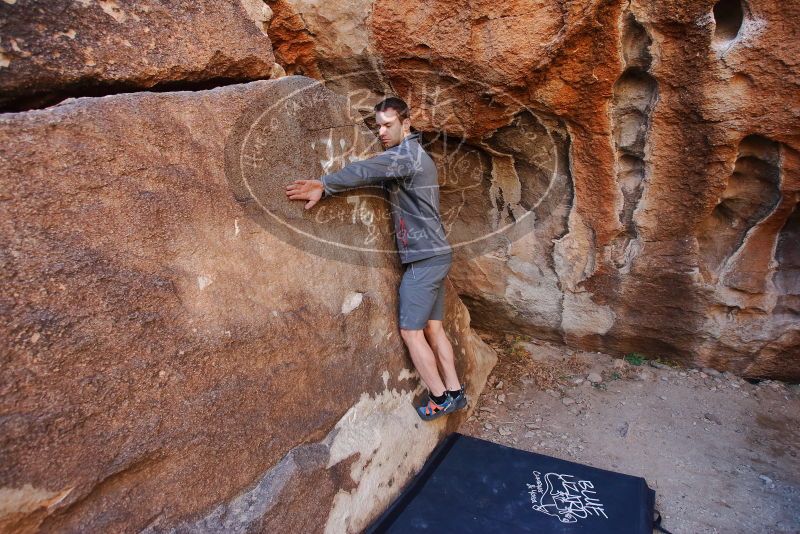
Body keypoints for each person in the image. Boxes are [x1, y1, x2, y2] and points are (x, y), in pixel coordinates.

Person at [285, 97, 467, 421]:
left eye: (388, 125)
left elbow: (365, 169)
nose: (382, 131)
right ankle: (455, 392)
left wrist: (324, 185)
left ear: (406, 124)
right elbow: (374, 173)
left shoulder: (406, 155)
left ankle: (440, 399)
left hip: (424, 260)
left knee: (412, 333)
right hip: (436, 255)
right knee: (434, 329)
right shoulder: (411, 156)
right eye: (378, 126)